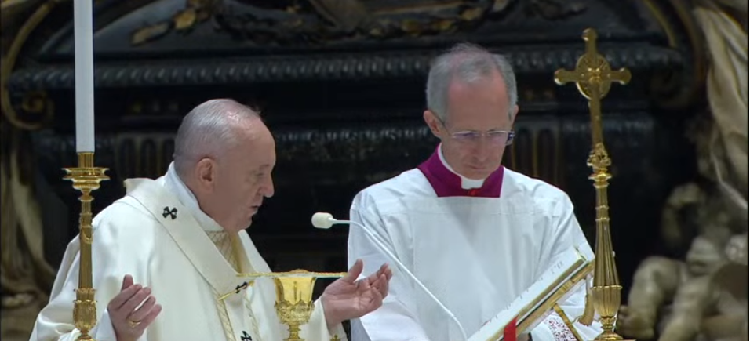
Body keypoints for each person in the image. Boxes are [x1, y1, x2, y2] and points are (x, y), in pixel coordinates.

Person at [31, 99, 392, 341]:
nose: (269, 190)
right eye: (258, 174)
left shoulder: (229, 228)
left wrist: (323, 314)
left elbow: (256, 331)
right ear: (207, 174)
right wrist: (114, 333)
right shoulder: (121, 233)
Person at [346, 43, 603, 341]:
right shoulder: (382, 207)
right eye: (467, 135)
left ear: (513, 117)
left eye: (496, 134)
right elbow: (382, 318)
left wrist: (528, 337)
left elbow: (580, 309)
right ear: (434, 123)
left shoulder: (548, 207)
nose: (482, 152)